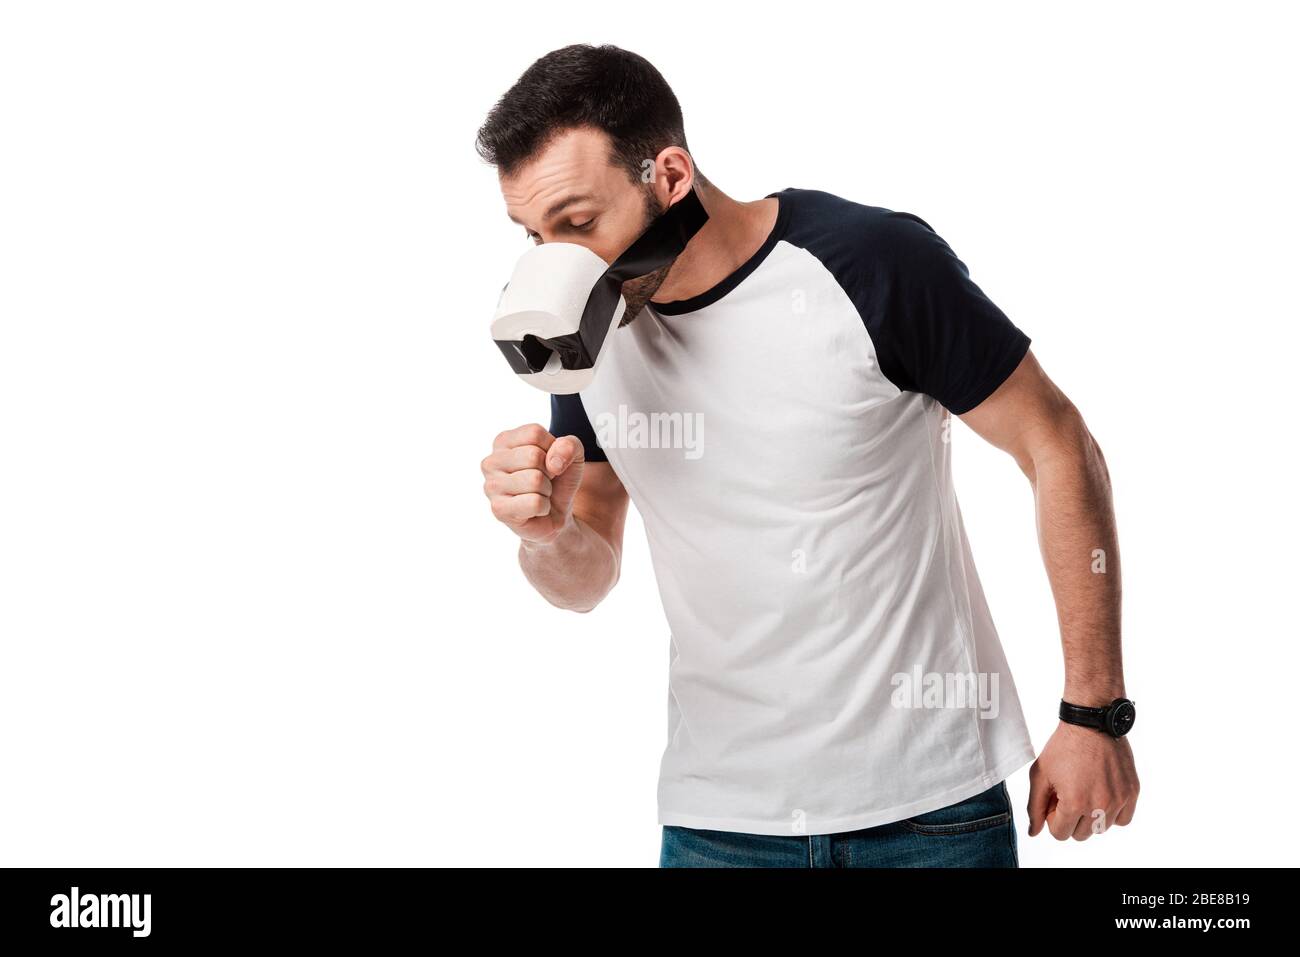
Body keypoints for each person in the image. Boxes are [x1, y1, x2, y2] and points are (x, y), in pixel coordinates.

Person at [476, 44, 1139, 867]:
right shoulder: (592, 335)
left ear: (670, 176)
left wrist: (1094, 711)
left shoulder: (871, 263)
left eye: (579, 223)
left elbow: (1057, 444)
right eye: (536, 234)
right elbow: (587, 575)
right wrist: (545, 532)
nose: (558, 261)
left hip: (929, 814)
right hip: (717, 822)